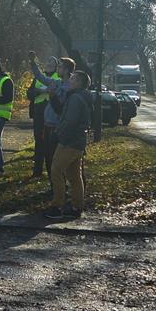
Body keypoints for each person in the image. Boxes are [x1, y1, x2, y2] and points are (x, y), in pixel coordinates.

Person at [44, 70, 93, 219]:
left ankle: (57, 206)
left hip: (69, 141)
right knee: (73, 175)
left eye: (72, 79)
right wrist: (52, 96)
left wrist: (57, 134)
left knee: (56, 171)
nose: (69, 81)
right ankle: (77, 207)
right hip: (77, 141)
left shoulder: (76, 98)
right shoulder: (77, 97)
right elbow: (61, 112)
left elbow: (69, 121)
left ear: (79, 83)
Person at [29, 52, 75, 178]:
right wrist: (33, 63)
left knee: (56, 160)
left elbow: (61, 109)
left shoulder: (69, 87)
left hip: (57, 127)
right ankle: (54, 187)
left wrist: (52, 95)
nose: (57, 68)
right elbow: (40, 77)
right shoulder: (57, 82)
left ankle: (59, 190)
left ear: (66, 70)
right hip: (48, 125)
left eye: (60, 67)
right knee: (49, 158)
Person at [27, 56, 61, 178]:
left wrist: (49, 91)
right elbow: (29, 93)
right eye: (47, 60)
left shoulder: (58, 78)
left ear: (57, 66)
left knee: (51, 143)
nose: (49, 63)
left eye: (52, 61)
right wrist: (38, 92)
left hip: (52, 113)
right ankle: (37, 171)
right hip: (39, 112)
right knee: (39, 141)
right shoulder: (38, 77)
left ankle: (52, 171)